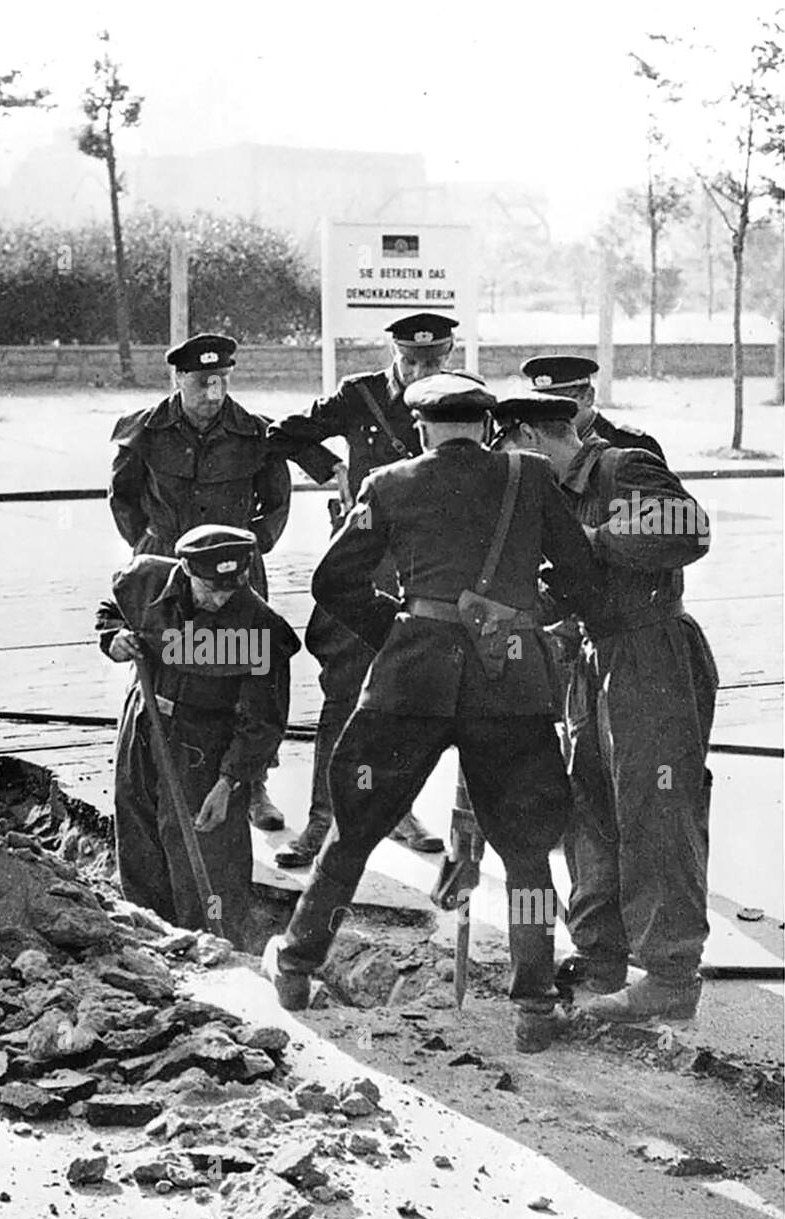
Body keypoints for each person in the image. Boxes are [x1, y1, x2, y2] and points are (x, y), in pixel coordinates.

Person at [264, 375, 600, 1052]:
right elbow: (582, 578)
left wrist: (397, 630)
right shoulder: (529, 477)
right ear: (484, 426)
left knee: (353, 832)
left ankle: (297, 965)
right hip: (505, 684)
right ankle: (533, 1005)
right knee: (528, 855)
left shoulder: (388, 483)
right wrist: (523, 619)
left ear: (421, 429)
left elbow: (333, 583)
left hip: (407, 684)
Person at [491, 394, 717, 1023]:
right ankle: (601, 954)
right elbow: (566, 589)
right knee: (589, 805)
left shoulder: (623, 468)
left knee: (655, 807)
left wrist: (586, 540)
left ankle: (670, 975)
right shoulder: (554, 492)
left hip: (653, 654)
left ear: (534, 436)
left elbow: (687, 529)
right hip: (594, 658)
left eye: (508, 449)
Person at [108, 332, 334, 833]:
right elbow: (122, 496)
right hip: (168, 570)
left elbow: (275, 504)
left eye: (222, 382)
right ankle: (155, 771)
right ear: (178, 378)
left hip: (236, 578)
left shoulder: (255, 434)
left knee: (249, 675)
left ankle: (252, 786)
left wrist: (247, 553)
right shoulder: (144, 431)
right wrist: (148, 549)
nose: (213, 394)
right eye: (202, 383)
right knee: (162, 670)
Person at [264, 313, 467, 865]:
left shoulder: (463, 399)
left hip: (429, 570)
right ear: (395, 354)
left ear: (449, 355)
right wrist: (330, 467)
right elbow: (283, 433)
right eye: (413, 360)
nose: (423, 369)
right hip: (364, 564)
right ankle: (322, 821)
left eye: (434, 360)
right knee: (344, 693)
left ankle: (397, 810)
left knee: (411, 696)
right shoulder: (361, 395)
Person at [97, 524, 299, 945]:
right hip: (143, 724)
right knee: (139, 831)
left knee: (205, 854)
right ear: (186, 569)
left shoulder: (258, 626)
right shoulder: (147, 580)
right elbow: (112, 609)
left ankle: (211, 946)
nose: (221, 598)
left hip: (205, 746)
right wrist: (113, 639)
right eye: (211, 587)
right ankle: (148, 937)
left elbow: (263, 721)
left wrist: (230, 783)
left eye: (231, 587)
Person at [520, 355, 667, 464]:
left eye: (563, 404)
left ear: (589, 397)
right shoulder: (527, 442)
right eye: (541, 405)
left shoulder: (631, 445)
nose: (550, 414)